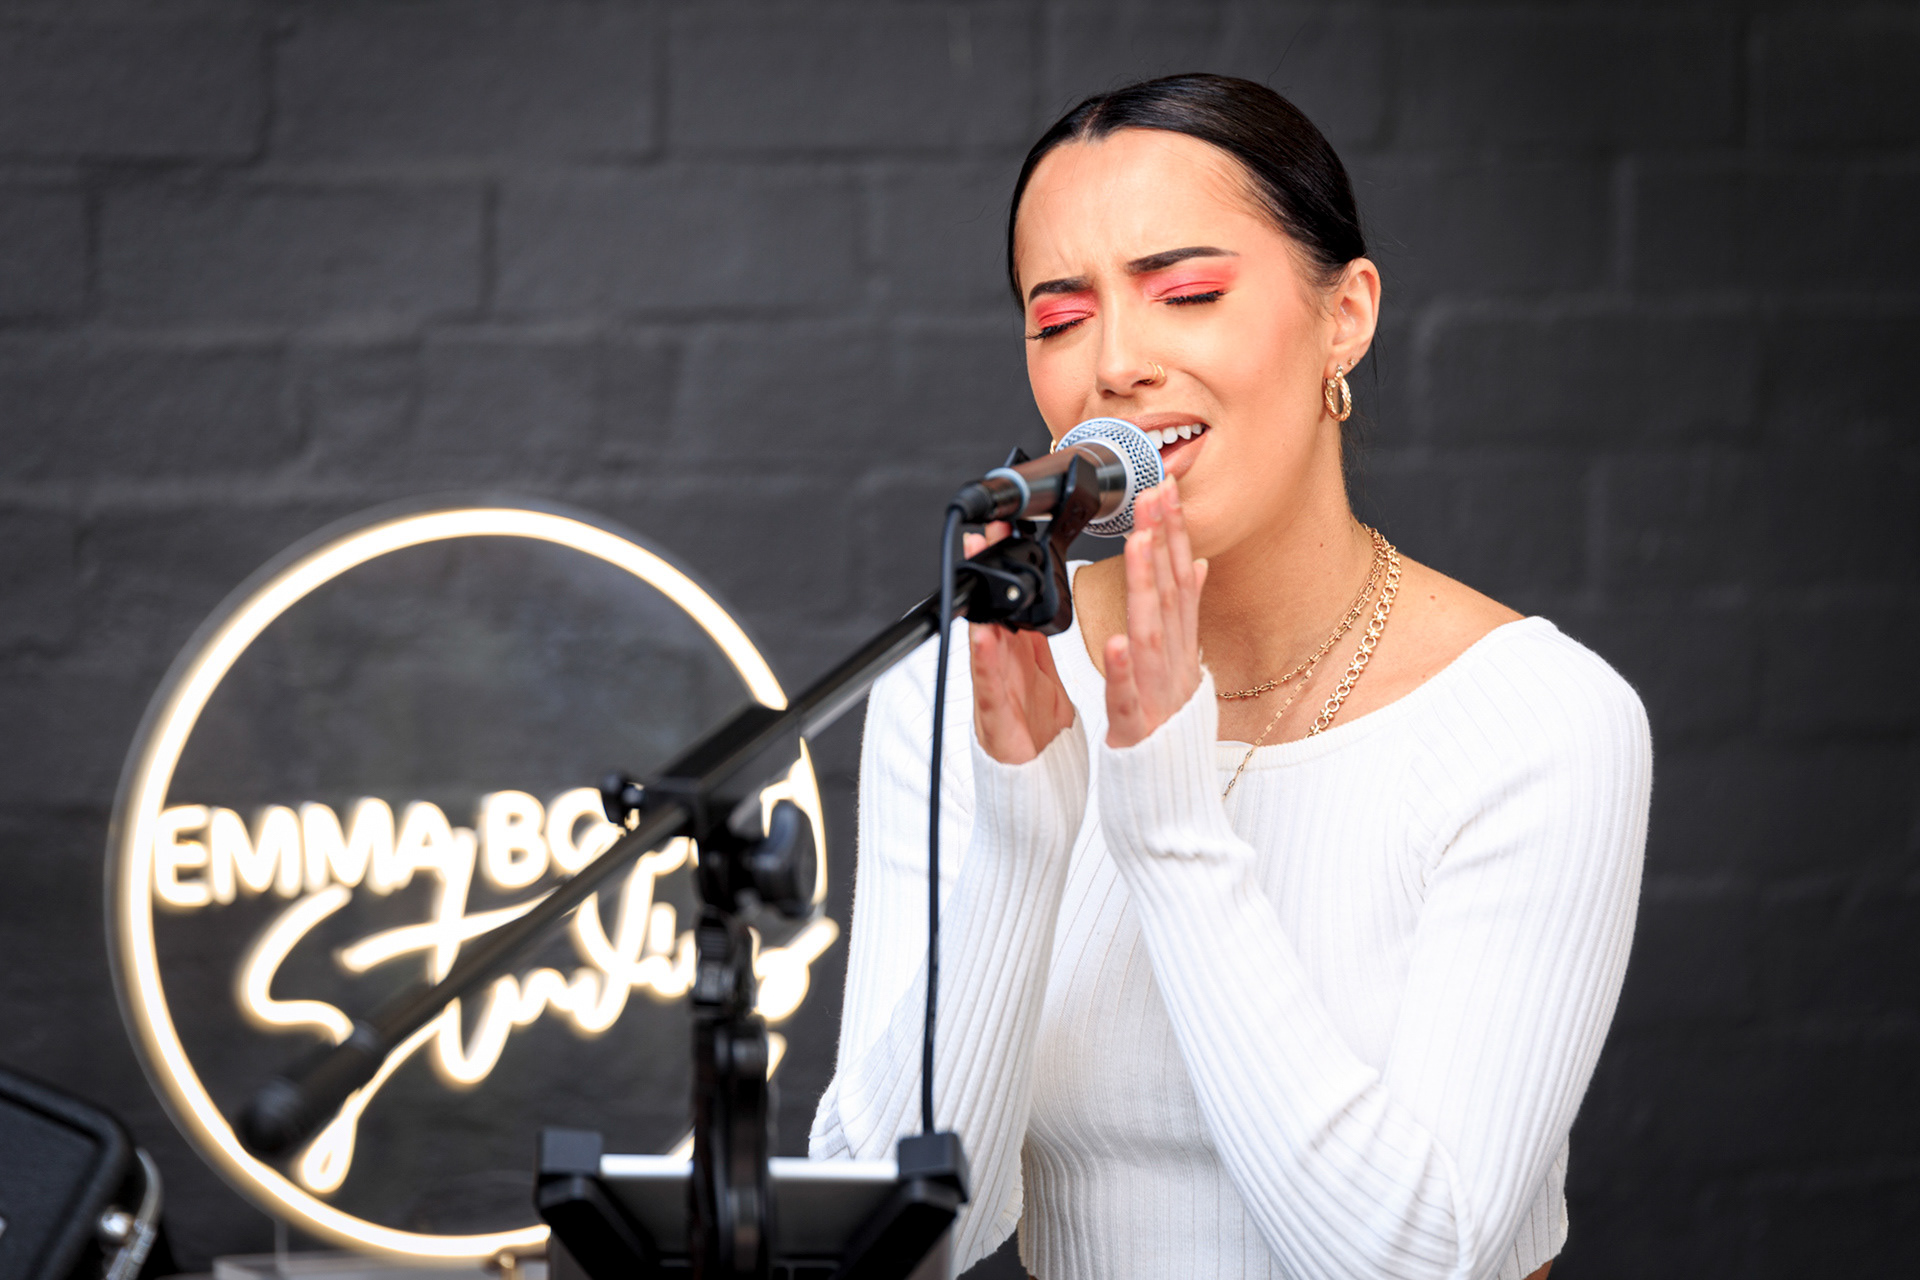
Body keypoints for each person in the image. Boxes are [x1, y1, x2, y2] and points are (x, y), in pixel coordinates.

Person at [810, 74, 1650, 1280]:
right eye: (1060, 318)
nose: (1116, 364)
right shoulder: (966, 697)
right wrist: (1022, 829)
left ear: (1345, 315)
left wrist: (1168, 826)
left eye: (1188, 294)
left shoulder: (1537, 721)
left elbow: (1410, 1261)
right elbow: (892, 1242)